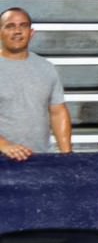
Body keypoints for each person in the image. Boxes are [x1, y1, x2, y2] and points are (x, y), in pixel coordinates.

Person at [0, 9, 72, 157]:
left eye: (23, 25)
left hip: (40, 159)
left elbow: (58, 112)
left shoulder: (46, 68)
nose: (17, 31)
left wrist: (67, 156)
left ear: (31, 32)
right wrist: (4, 145)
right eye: (10, 26)